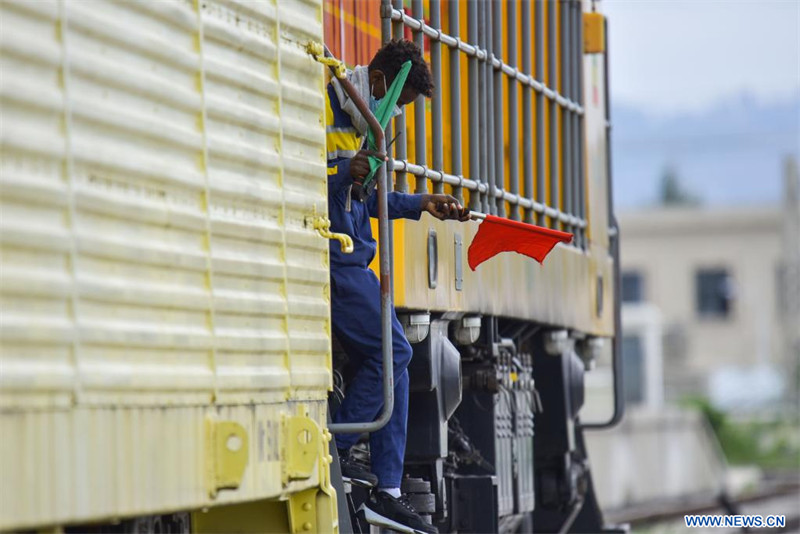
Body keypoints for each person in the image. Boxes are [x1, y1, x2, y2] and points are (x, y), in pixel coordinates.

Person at [325, 39, 469, 534]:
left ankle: (386, 489)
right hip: (334, 263)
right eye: (401, 102)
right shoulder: (325, 109)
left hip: (354, 262)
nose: (400, 113)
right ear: (382, 84)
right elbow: (302, 178)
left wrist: (421, 202)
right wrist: (345, 171)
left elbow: (366, 202)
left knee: (398, 360)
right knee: (395, 354)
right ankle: (335, 453)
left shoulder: (364, 124)